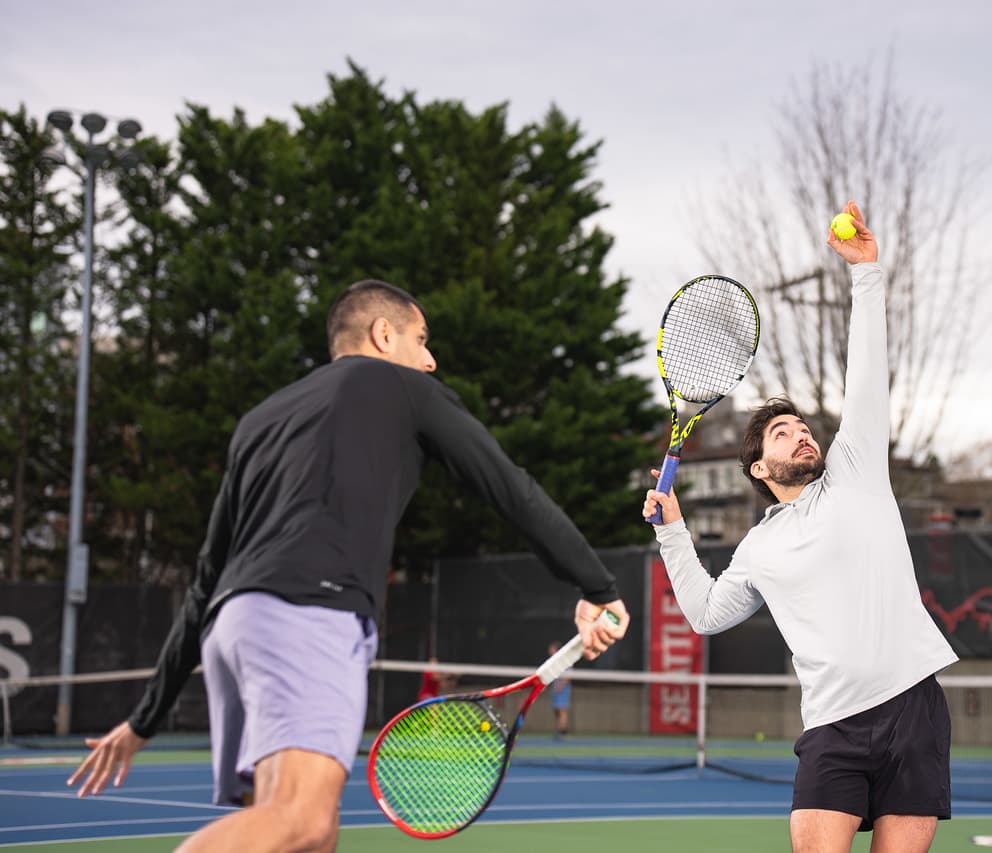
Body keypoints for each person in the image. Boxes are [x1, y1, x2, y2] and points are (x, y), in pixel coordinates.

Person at [68, 279, 630, 853]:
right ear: (384, 335)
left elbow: (204, 584)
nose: (430, 358)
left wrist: (144, 720)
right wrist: (599, 586)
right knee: (302, 821)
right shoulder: (406, 388)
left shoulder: (259, 421)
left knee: (314, 837)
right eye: (422, 339)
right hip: (307, 614)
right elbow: (513, 491)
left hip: (231, 631)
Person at [643, 202, 957, 853]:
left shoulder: (857, 470)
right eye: (784, 432)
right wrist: (673, 529)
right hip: (833, 729)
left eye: (804, 426)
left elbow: (865, 376)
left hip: (913, 709)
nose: (803, 432)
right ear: (761, 466)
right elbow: (703, 614)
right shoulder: (759, 546)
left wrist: (866, 275)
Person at [546, 641, 572, 739]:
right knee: (556, 710)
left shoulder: (565, 660)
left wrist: (561, 685)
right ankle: (559, 729)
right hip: (555, 686)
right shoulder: (552, 661)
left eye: (552, 649)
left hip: (563, 687)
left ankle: (562, 731)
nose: (550, 651)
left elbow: (569, 675)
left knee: (562, 710)